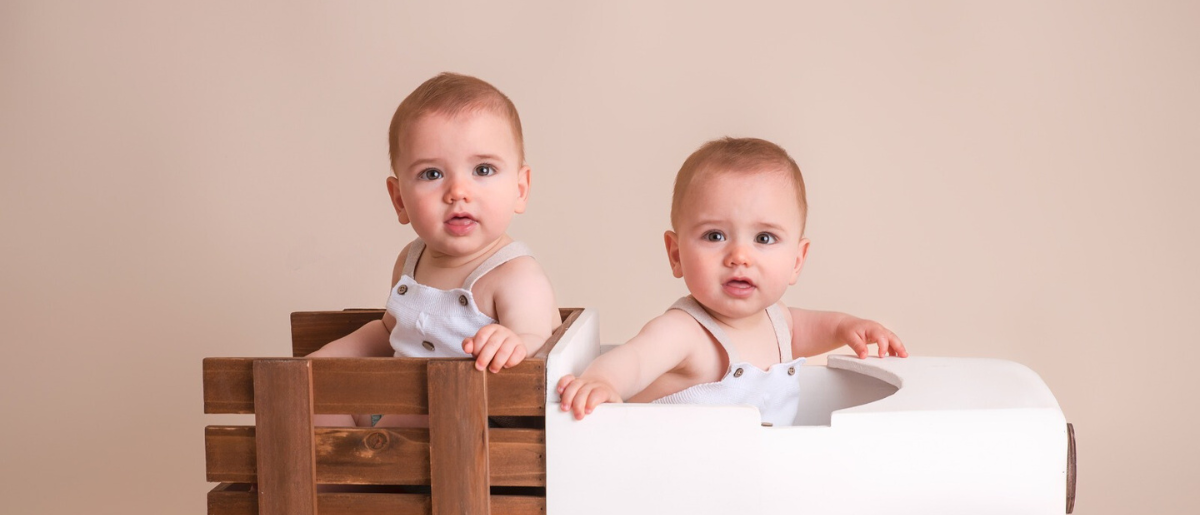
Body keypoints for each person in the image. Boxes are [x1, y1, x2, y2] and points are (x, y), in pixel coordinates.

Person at [556, 137, 906, 425]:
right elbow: (634, 359)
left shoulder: (778, 322)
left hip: (744, 478)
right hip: (674, 476)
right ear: (676, 254)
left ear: (797, 261)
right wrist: (603, 381)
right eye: (715, 236)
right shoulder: (684, 332)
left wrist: (847, 327)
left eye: (764, 238)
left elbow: (809, 329)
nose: (739, 256)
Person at [312, 73, 561, 426]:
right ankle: (342, 464)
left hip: (466, 420)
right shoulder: (410, 260)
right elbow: (388, 331)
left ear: (520, 189)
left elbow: (537, 341)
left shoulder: (515, 274)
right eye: (432, 174)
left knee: (431, 408)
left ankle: (369, 455)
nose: (458, 191)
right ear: (400, 200)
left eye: (483, 169)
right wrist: (326, 359)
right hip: (394, 401)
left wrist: (511, 342)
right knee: (311, 400)